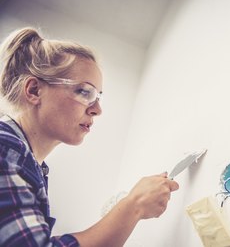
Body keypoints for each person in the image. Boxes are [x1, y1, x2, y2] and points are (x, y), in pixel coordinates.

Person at [0, 27, 179, 246]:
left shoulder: (30, 165)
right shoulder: (5, 148)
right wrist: (133, 206)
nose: (97, 110)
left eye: (98, 97)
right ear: (35, 90)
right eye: (85, 92)